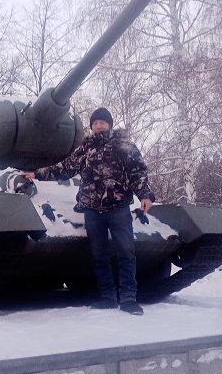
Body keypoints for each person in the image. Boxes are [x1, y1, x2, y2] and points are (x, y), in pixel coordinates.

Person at [23, 107, 155, 315]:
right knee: (99, 255)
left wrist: (145, 195)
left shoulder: (123, 146)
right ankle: (108, 297)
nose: (98, 126)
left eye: (102, 122)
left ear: (109, 124)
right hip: (92, 210)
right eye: (95, 123)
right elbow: (65, 168)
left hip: (118, 208)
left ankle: (129, 299)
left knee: (126, 253)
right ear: (92, 127)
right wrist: (37, 174)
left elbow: (137, 172)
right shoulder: (86, 149)